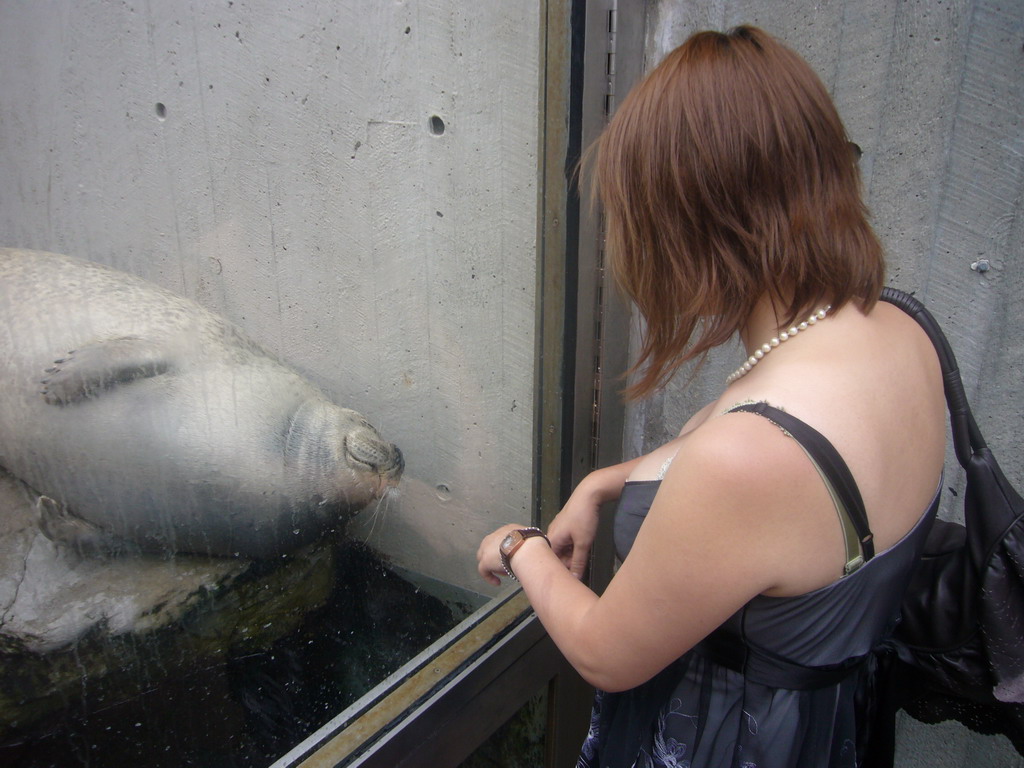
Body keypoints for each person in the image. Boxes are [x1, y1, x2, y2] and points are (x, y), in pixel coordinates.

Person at [477, 25, 947, 768]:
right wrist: (604, 483)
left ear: (698, 223)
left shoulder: (750, 458)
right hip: (834, 725)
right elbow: (781, 461)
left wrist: (518, 547)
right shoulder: (899, 326)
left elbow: (605, 653)